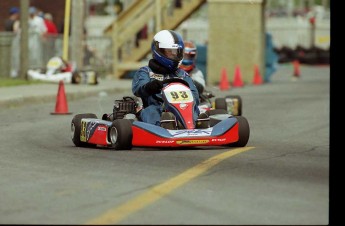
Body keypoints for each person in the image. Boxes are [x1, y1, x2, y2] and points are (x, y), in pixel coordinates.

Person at [132, 30, 209, 129]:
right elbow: (138, 89)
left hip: (181, 108)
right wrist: (149, 87)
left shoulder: (182, 74)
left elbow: (194, 94)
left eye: (176, 52)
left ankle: (196, 124)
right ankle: (163, 125)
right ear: (159, 50)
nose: (174, 55)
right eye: (170, 52)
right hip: (157, 107)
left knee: (194, 109)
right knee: (151, 111)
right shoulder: (146, 72)